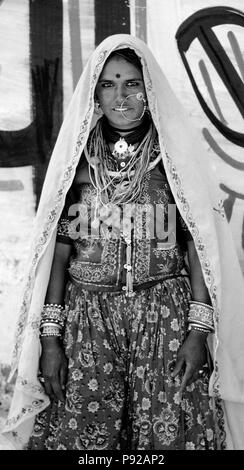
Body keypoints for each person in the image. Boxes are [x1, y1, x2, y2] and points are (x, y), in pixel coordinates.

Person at [2, 34, 244, 451]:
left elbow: (197, 247)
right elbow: (59, 252)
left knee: (168, 435)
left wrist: (198, 331)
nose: (121, 96)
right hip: (87, 320)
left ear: (148, 89)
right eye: (109, 84)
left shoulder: (173, 158)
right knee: (85, 439)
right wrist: (50, 339)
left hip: (164, 317)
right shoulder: (77, 161)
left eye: (132, 83)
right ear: (95, 91)